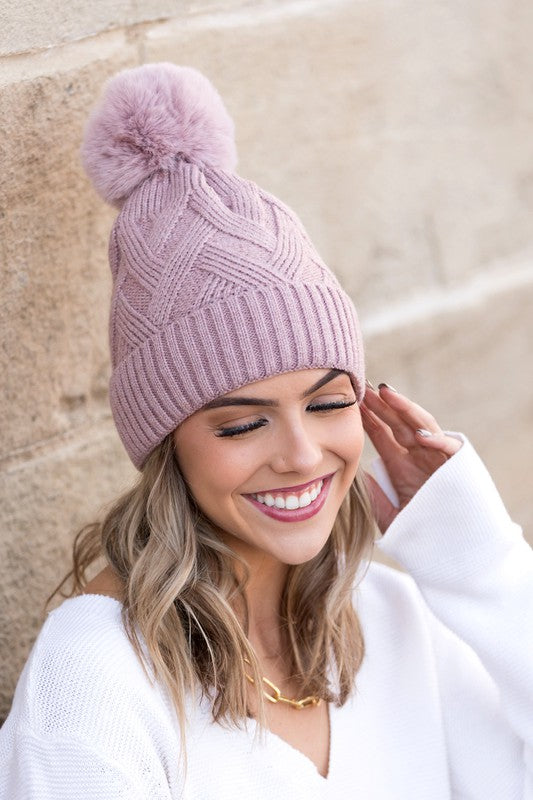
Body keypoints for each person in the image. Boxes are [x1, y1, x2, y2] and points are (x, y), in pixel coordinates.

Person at [0, 62, 531, 799]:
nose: (302, 456)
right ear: (166, 444)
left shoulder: (388, 614)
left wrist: (479, 563)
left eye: (327, 404)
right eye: (244, 423)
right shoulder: (94, 686)